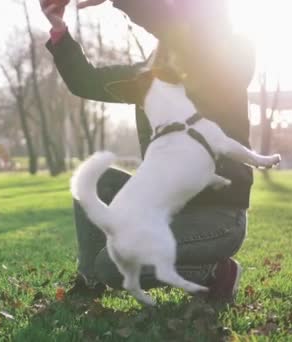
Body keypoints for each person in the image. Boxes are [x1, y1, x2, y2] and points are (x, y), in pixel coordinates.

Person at [40, 0, 256, 303]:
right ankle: (89, 283)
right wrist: (59, 28)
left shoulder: (229, 57)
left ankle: (213, 272)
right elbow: (85, 81)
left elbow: (186, 33)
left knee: (111, 266)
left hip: (218, 218)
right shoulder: (152, 78)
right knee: (98, 182)